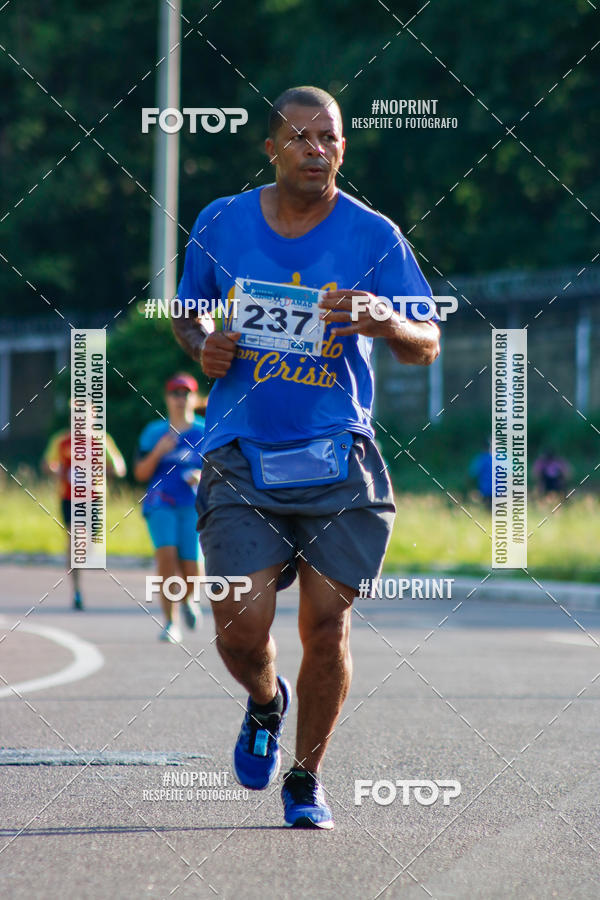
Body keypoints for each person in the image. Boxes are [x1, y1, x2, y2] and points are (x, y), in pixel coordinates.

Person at [172, 85, 440, 829]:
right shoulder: (220, 222)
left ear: (343, 148)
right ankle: (265, 702)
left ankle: (306, 777)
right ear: (271, 147)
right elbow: (188, 311)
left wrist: (384, 318)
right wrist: (204, 345)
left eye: (330, 139)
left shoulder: (374, 235)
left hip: (337, 458)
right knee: (238, 621)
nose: (317, 151)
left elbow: (427, 342)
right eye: (301, 138)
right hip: (239, 454)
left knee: (327, 629)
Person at [134, 373, 206, 643]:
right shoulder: (154, 432)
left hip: (193, 504)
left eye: (185, 393)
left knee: (192, 566)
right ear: (167, 398)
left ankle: (188, 600)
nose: (180, 399)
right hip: (160, 502)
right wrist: (158, 452)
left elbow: (221, 470)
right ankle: (169, 622)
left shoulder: (206, 431)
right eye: (175, 393)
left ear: (193, 398)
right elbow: (140, 473)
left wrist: (202, 476)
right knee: (166, 558)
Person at [43, 422, 126, 609]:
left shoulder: (100, 440)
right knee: (74, 540)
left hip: (94, 498)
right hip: (69, 498)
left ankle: (84, 559)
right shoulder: (61, 440)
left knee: (88, 545)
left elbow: (120, 468)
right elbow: (48, 464)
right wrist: (56, 470)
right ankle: (77, 590)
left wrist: (98, 470)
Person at [470, 438, 493, 507]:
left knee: (489, 513)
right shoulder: (503, 458)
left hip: (486, 491)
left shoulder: (480, 459)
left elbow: (472, 474)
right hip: (502, 491)